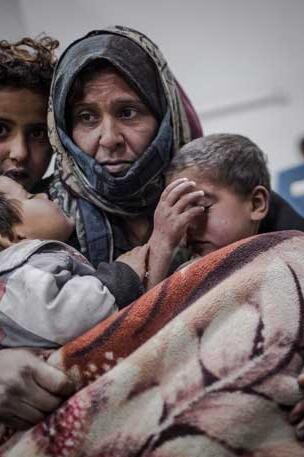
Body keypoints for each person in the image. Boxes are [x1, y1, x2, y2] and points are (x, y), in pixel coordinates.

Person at [48, 26, 203, 268]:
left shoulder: (223, 195)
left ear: (165, 119)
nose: (109, 139)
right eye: (87, 117)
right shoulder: (38, 223)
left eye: (127, 112)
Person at [0, 175, 146, 349]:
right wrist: (122, 276)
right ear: (10, 236)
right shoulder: (24, 273)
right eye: (30, 196)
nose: (44, 195)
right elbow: (65, 317)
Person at [145, 133, 271, 288]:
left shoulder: (289, 266)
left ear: (256, 204)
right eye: (182, 211)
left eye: (203, 207)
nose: (188, 225)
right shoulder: (179, 271)